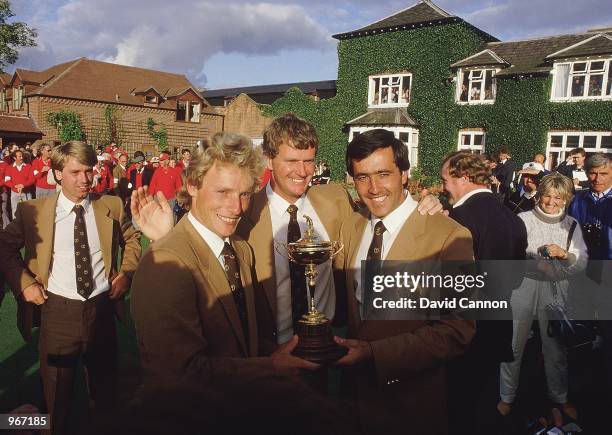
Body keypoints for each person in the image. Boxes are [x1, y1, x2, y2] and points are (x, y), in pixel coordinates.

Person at [130, 132, 318, 388]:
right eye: (223, 192)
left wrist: (284, 353)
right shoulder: (165, 263)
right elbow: (177, 372)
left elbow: (244, 337)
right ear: (193, 185)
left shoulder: (240, 248)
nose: (237, 208)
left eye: (244, 194)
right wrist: (271, 366)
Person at [333, 129, 475, 435]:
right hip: (351, 405)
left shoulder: (449, 236)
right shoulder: (352, 226)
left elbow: (457, 331)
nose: (373, 188)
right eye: (362, 177)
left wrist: (375, 355)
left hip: (409, 404)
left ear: (405, 174)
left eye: (383, 173)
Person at [0, 141, 141, 435]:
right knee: (56, 397)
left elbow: (132, 239)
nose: (85, 179)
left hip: (101, 310)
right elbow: (5, 247)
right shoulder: (31, 211)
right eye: (76, 172)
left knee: (104, 396)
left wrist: (127, 272)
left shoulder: (111, 205)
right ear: (57, 174)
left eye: (89, 171)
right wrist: (24, 284)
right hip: (59, 313)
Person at [440, 151, 527, 435]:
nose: (443, 188)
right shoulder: (513, 219)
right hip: (497, 325)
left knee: (456, 411)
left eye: (445, 180)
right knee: (483, 407)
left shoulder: (458, 219)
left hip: (462, 329)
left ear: (463, 178)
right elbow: (515, 279)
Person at [499, 173, 587, 420]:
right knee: (514, 343)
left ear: (566, 199)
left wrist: (564, 256)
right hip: (524, 285)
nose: (550, 201)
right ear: (539, 195)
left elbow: (580, 263)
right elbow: (509, 255)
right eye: (547, 195)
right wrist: (530, 261)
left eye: (557, 197)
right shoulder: (522, 219)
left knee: (555, 346)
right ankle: (506, 396)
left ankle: (560, 396)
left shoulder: (572, 224)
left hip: (556, 288)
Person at [4, 150, 35, 218]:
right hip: (14, 193)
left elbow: (32, 179)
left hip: (26, 192)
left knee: (27, 211)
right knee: (15, 211)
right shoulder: (9, 167)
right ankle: (16, 227)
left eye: (22, 156)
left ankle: (27, 227)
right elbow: (7, 181)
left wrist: (23, 185)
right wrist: (15, 186)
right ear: (15, 158)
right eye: (19, 156)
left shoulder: (28, 166)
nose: (22, 158)